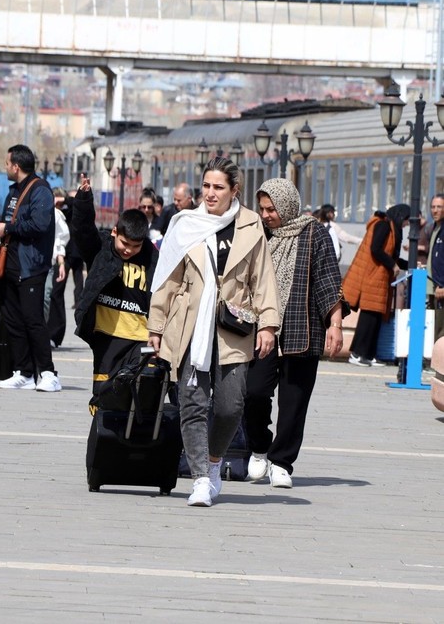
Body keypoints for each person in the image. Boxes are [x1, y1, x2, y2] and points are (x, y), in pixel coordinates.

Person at [147, 156, 280, 507]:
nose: (210, 193)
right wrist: (156, 326)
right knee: (191, 402)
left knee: (229, 405)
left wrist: (268, 323)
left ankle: (216, 461)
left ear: (234, 190)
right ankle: (200, 479)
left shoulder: (250, 225)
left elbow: (262, 278)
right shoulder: (186, 224)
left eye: (218, 187)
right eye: (205, 186)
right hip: (189, 326)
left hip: (234, 326)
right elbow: (167, 279)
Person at [243, 179, 346, 488]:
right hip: (262, 329)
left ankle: (281, 462)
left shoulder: (315, 233)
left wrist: (336, 325)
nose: (266, 215)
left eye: (271, 209)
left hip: (303, 328)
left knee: (294, 401)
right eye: (262, 208)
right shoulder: (257, 234)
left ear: (287, 206)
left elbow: (328, 280)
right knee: (253, 392)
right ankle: (260, 447)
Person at [71, 175, 157, 404]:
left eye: (135, 246)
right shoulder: (102, 249)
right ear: (114, 233)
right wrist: (83, 199)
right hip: (107, 336)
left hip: (140, 337)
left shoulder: (151, 256)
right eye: (124, 243)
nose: (129, 250)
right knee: (104, 394)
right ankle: (102, 436)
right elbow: (82, 231)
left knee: (139, 395)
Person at [0, 144, 61, 392]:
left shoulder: (40, 190)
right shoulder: (13, 192)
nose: (5, 167)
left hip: (31, 267)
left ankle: (49, 373)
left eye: (7, 164)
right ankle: (24, 372)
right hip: (11, 265)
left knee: (33, 320)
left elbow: (39, 225)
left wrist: (7, 228)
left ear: (16, 166)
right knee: (14, 320)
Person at [343, 204, 410, 367]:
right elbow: (376, 249)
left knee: (376, 318)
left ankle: (368, 354)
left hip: (380, 278)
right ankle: (357, 353)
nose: (406, 225)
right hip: (373, 277)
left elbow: (391, 256)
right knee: (369, 317)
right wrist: (392, 265)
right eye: (406, 221)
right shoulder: (383, 225)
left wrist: (408, 264)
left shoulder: (391, 227)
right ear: (400, 216)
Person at [43, 187, 70, 338]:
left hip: (49, 265)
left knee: (46, 298)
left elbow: (60, 241)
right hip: (30, 262)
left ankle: (41, 333)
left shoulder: (57, 216)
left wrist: (61, 264)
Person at [427, 194, 444, 342]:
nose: (435, 210)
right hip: (433, 287)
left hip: (440, 287)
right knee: (433, 326)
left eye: (439, 207)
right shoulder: (434, 228)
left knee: (440, 329)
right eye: (433, 207)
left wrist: (442, 284)